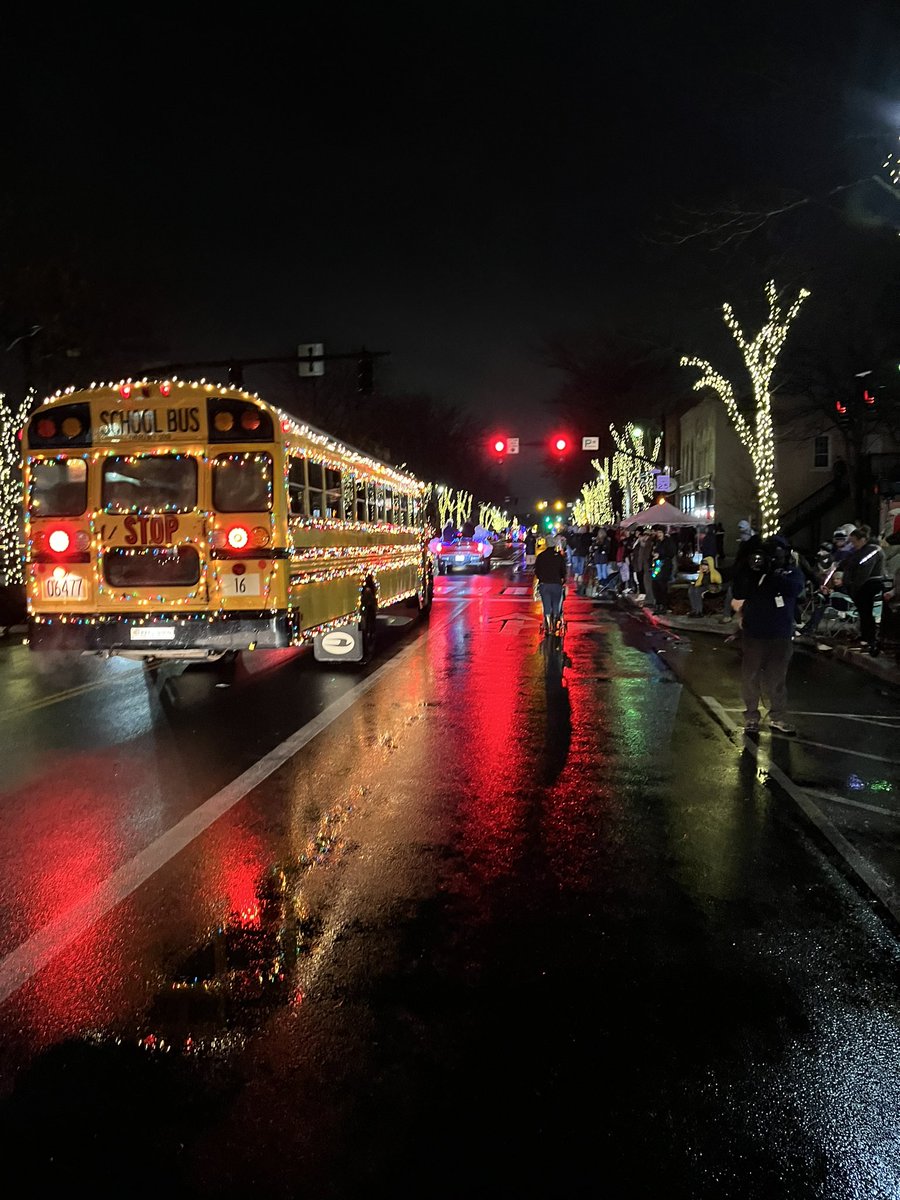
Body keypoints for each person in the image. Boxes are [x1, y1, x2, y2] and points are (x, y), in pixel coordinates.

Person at [731, 534, 805, 735]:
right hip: (754, 633)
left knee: (777, 678)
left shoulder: (791, 572)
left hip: (780, 634)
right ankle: (751, 717)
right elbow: (739, 591)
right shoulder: (753, 573)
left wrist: (773, 574)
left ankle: (777, 717)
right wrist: (746, 566)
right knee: (750, 677)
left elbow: (795, 589)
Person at [841, 525, 886, 654]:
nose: (853, 545)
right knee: (863, 612)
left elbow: (864, 570)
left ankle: (870, 637)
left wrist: (855, 585)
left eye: (854, 542)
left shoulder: (872, 551)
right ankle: (865, 635)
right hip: (863, 585)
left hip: (870, 584)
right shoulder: (863, 551)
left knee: (866, 611)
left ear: (862, 540)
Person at [533, 535, 567, 636]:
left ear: (546, 544)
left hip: (545, 584)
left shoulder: (541, 556)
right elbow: (563, 571)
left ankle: (548, 625)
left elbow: (537, 571)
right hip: (556, 584)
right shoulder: (559, 557)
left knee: (546, 604)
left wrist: (541, 578)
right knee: (556, 604)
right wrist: (562, 579)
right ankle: (555, 622)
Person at [650, 524, 676, 613]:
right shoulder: (657, 542)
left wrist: (660, 554)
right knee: (655, 584)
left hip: (664, 565)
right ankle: (658, 603)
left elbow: (671, 553)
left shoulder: (668, 541)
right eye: (658, 532)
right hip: (657, 565)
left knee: (662, 585)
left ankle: (663, 605)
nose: (659, 534)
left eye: (660, 532)